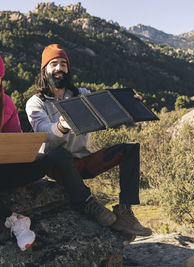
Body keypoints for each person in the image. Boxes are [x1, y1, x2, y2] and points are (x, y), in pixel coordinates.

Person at [0, 39, 116, 252]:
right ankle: (14, 221)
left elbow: (15, 136)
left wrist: (18, 150)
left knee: (50, 158)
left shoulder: (5, 102)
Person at [25, 44, 152, 236]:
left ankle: (125, 212)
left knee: (130, 149)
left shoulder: (81, 95)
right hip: (57, 167)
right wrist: (61, 127)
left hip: (85, 162)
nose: (59, 68)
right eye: (54, 64)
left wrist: (129, 103)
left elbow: (106, 109)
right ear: (45, 71)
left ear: (68, 69)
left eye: (63, 64)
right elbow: (41, 130)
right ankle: (87, 202)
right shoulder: (36, 102)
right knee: (58, 153)